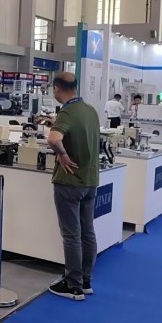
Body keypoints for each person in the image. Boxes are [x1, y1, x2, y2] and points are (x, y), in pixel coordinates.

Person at [46, 72, 100, 301]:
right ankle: (85, 281)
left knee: (71, 235)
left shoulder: (66, 112)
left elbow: (53, 139)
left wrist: (63, 155)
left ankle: (73, 285)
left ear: (57, 88)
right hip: (90, 180)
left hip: (69, 182)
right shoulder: (90, 110)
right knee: (87, 231)